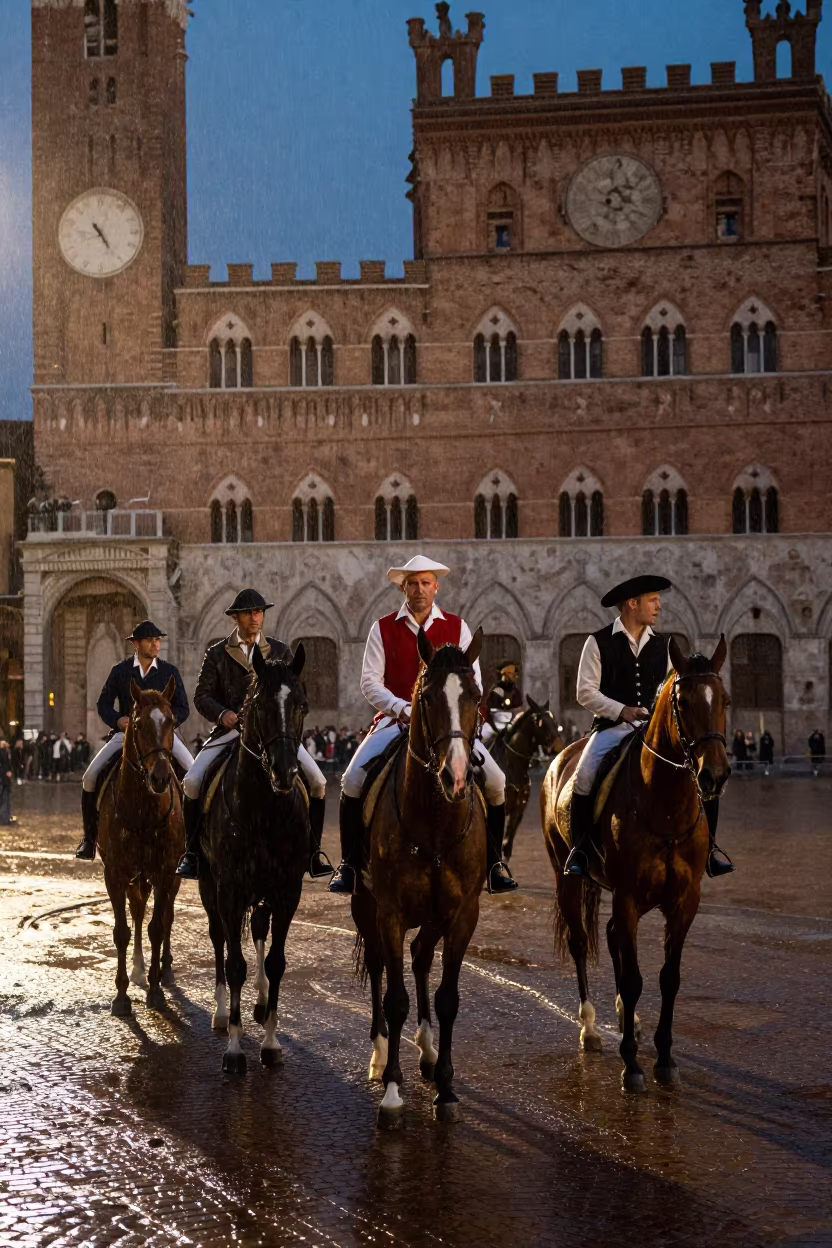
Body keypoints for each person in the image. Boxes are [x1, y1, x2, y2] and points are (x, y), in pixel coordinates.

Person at [329, 554, 516, 896]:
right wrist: (403, 709)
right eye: (412, 583)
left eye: (425, 583)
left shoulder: (457, 627)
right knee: (352, 779)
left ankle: (495, 863)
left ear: (436, 587)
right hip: (395, 720)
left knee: (498, 781)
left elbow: (470, 679)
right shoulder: (382, 627)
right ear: (403, 588)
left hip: (449, 725)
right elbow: (370, 683)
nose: (419, 589)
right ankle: (350, 864)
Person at [563, 575, 733, 881]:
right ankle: (580, 849)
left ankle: (709, 849)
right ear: (632, 604)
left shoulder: (667, 645)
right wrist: (622, 710)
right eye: (653, 600)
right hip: (611, 728)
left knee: (702, 773)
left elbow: (672, 692)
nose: (659, 605)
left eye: (658, 600)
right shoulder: (598, 641)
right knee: (585, 773)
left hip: (655, 731)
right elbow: (584, 692)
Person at [175, 588, 331, 882]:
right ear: (236, 618)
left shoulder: (282, 652)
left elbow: (297, 692)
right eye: (248, 613)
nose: (255, 618)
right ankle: (192, 853)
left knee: (319, 782)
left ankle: (313, 851)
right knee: (192, 782)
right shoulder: (217, 653)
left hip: (273, 734)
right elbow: (201, 695)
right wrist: (224, 714)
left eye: (259, 612)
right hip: (230, 732)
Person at [74, 620, 195, 860]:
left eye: (157, 640)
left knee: (191, 774)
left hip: (162, 737)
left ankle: (193, 841)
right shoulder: (120, 671)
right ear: (136, 644)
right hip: (126, 735)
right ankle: (89, 838)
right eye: (150, 640)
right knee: (89, 776)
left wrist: (165, 723)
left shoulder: (169, 671)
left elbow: (183, 707)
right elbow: (103, 704)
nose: (155, 644)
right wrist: (118, 720)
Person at [481, 659, 524, 745]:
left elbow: (519, 709)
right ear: (505, 674)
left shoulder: (516, 692)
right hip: (496, 725)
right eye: (512, 673)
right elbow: (494, 712)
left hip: (513, 723)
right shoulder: (497, 690)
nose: (515, 676)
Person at [0, 738, 14, 824]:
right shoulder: (6, 753)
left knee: (4, 799)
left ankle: (5, 817)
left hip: (3, 779)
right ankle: (6, 817)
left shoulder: (4, 753)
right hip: (4, 779)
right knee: (5, 799)